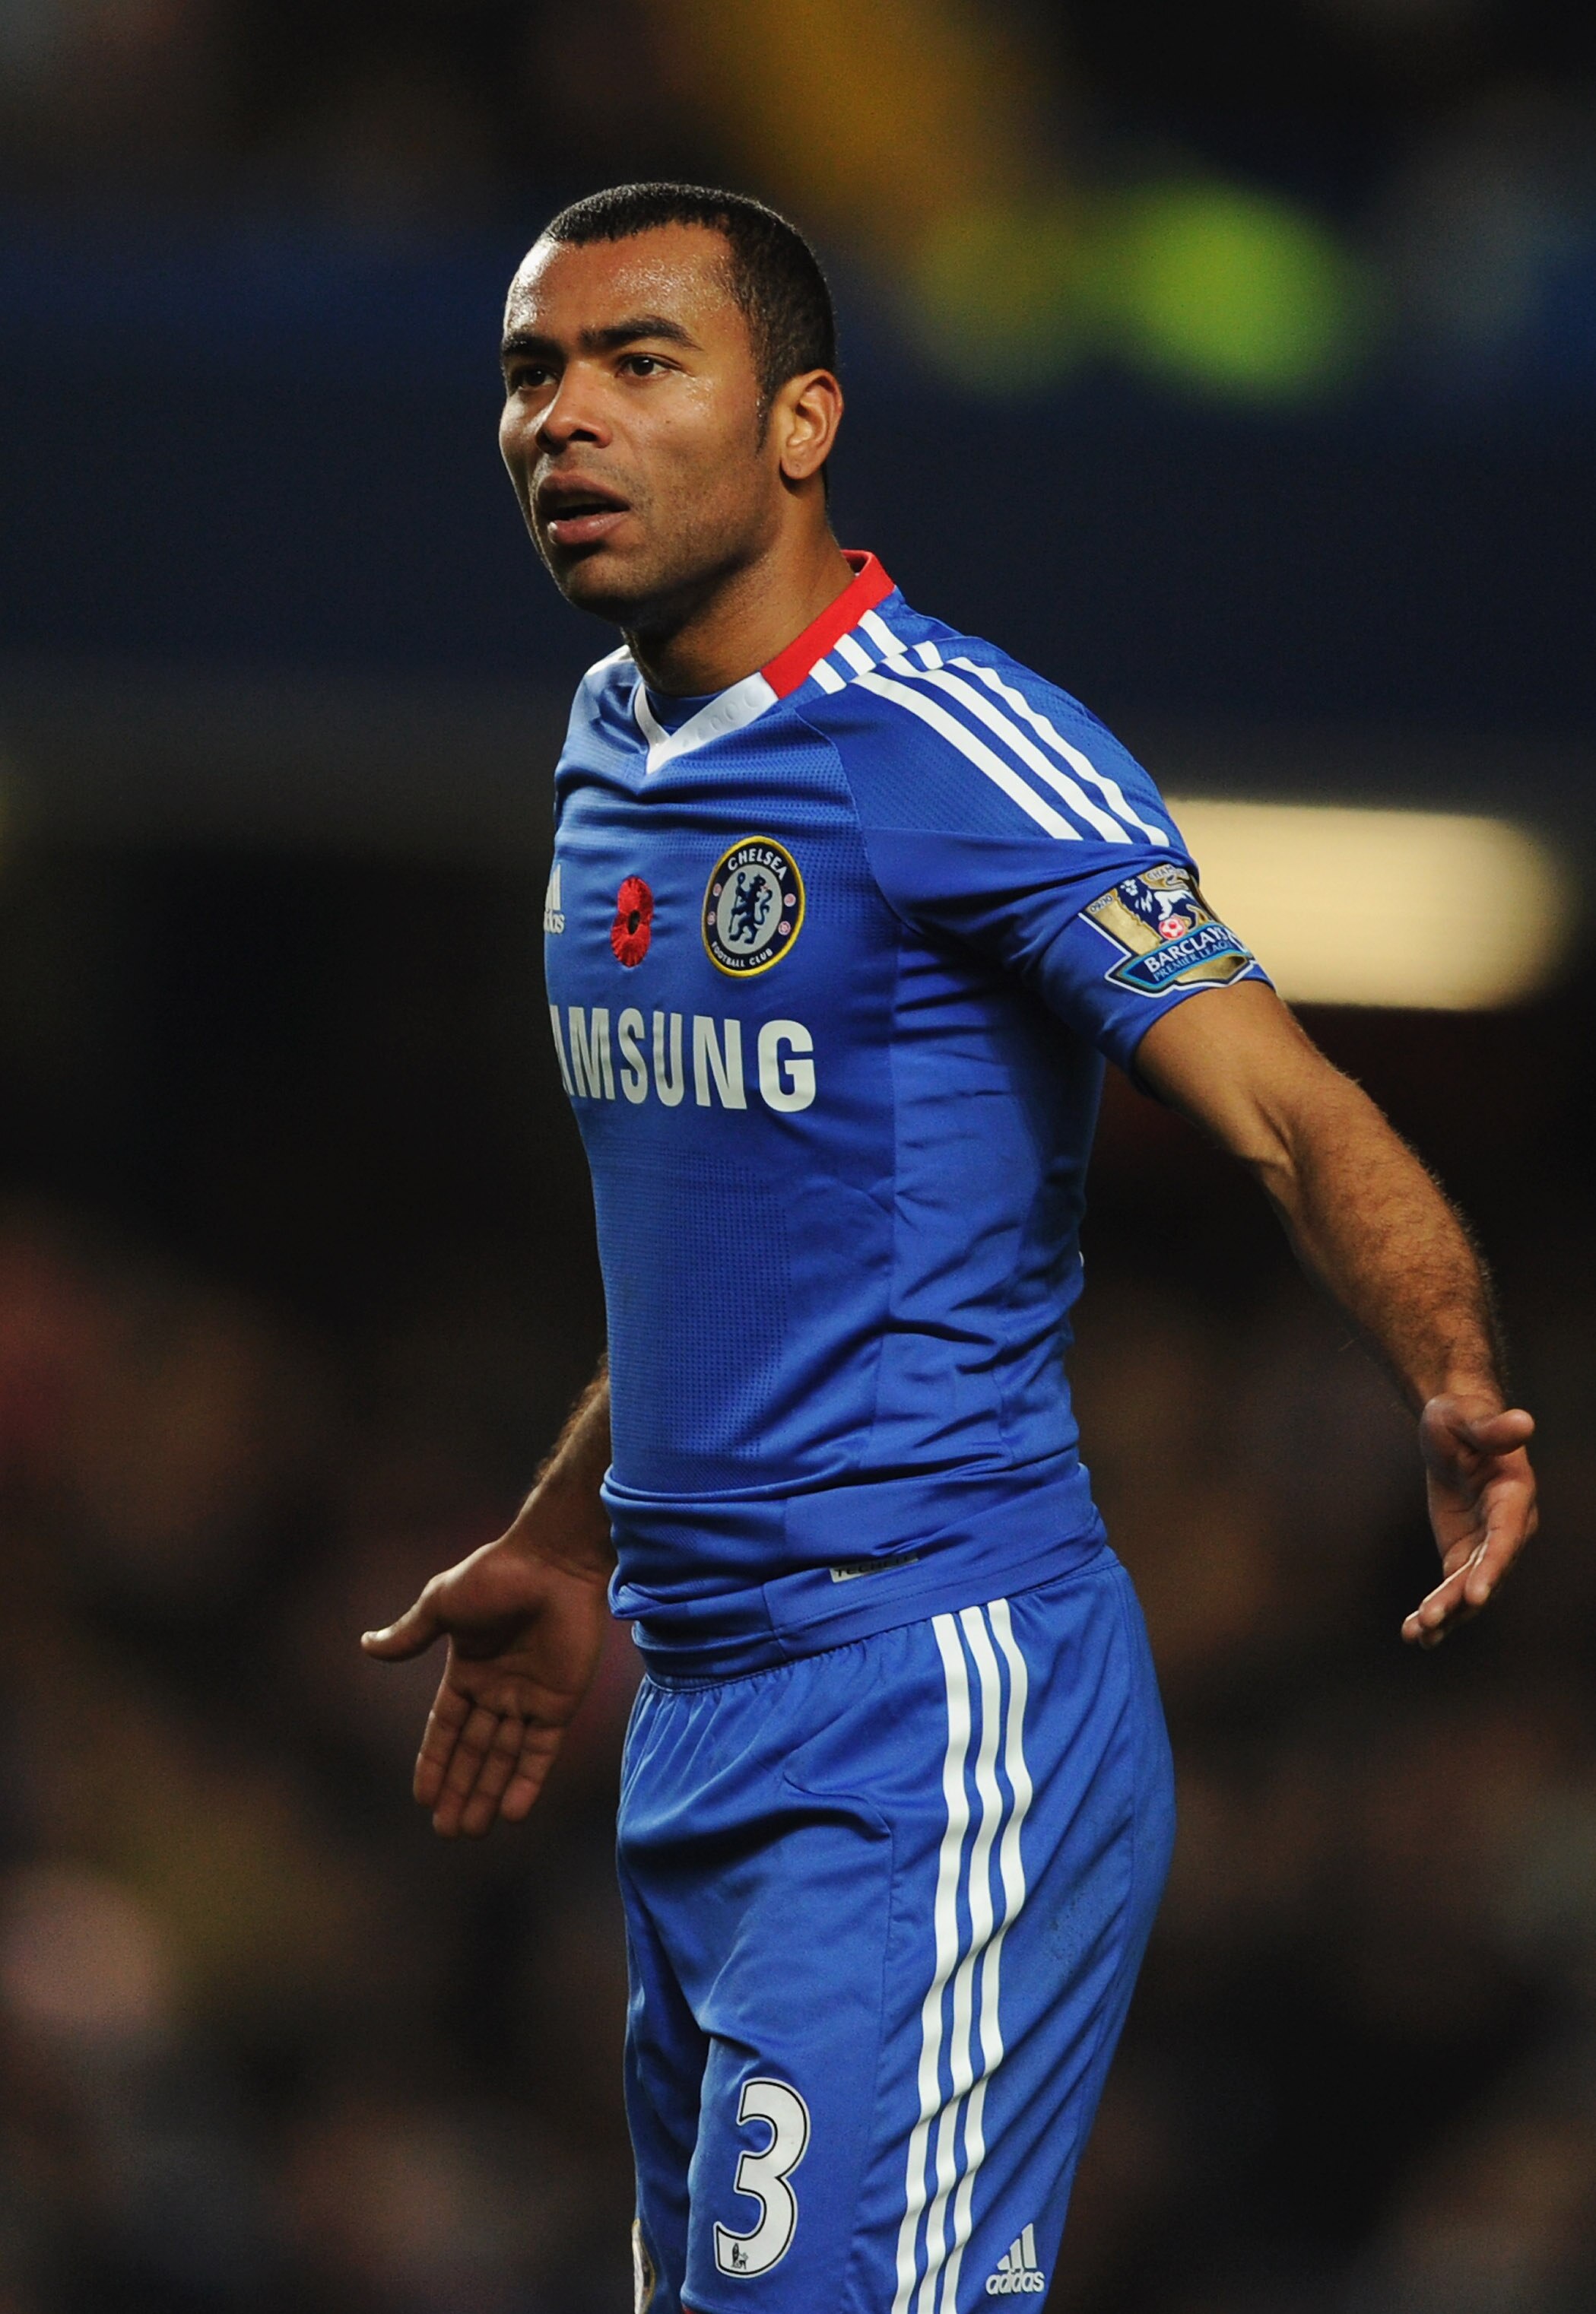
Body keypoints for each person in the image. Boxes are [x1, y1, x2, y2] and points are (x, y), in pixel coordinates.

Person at [363, 184, 1537, 2314]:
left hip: (925, 1696)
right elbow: (753, 1236)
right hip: (703, 1713)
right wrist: (562, 1532)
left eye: (641, 365)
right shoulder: (611, 752)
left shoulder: (952, 747)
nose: (566, 420)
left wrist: (1443, 1369)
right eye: (534, 373)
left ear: (800, 419)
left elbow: (1290, 1106)